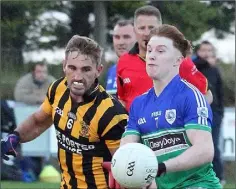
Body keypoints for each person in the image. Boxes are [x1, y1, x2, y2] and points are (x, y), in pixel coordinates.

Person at [1, 35, 128, 189]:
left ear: (98, 70)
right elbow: (38, 121)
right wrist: (15, 136)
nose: (77, 77)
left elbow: (126, 167)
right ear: (64, 66)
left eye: (86, 69)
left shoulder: (111, 113)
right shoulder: (57, 89)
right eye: (72, 68)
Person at [120, 25, 221, 189]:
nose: (151, 56)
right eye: (150, 50)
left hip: (197, 184)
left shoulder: (190, 96)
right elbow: (127, 148)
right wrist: (128, 171)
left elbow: (205, 150)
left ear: (178, 60)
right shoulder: (139, 104)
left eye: (160, 51)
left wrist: (162, 167)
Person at [117, 5, 212, 112]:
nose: (147, 33)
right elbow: (122, 99)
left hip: (169, 127)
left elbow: (207, 95)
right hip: (133, 127)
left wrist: (187, 118)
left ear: (160, 28)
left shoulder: (178, 60)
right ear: (134, 30)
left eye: (152, 28)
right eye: (142, 28)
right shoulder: (123, 62)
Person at [193, 40, 225, 185]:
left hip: (215, 114)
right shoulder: (194, 67)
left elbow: (220, 92)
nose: (206, 53)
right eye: (203, 50)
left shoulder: (215, 70)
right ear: (198, 52)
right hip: (197, 114)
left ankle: (219, 178)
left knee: (214, 146)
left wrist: (220, 112)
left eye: (209, 50)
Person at [106, 19, 136, 96]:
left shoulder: (147, 70)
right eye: (117, 37)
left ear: (137, 39)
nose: (120, 42)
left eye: (126, 37)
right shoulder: (111, 70)